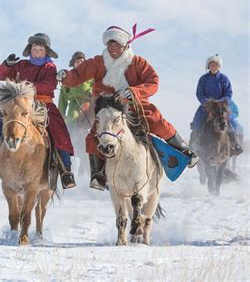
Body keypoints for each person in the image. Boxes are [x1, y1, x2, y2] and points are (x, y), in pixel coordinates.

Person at [57, 25, 199, 190]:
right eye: (110, 45)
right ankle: (98, 175)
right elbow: (78, 75)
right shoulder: (98, 62)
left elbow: (153, 81)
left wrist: (135, 91)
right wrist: (66, 76)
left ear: (125, 45)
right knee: (93, 136)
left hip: (133, 104)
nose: (113, 48)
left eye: (116, 44)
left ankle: (183, 151)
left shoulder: (138, 62)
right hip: (107, 106)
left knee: (155, 119)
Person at [0, 33, 77, 189]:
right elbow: (0, 75)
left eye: (40, 49)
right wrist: (6, 64)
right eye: (34, 49)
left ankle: (66, 171)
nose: (36, 52)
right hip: (18, 104)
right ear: (29, 49)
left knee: (59, 131)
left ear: (46, 51)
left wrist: (27, 87)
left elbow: (49, 85)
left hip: (42, 104)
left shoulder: (50, 67)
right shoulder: (21, 65)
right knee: (0, 123)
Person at [190, 54, 243, 155]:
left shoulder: (224, 79)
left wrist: (221, 101)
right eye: (212, 65)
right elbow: (199, 93)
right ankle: (193, 145)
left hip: (221, 106)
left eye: (216, 65)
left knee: (232, 122)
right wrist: (207, 102)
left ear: (219, 66)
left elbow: (228, 93)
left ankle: (235, 145)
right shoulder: (203, 79)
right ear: (208, 66)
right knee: (197, 121)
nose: (213, 67)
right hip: (207, 106)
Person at [58, 51, 94, 126]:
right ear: (74, 64)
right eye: (77, 62)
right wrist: (61, 115)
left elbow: (95, 87)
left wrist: (88, 100)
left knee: (92, 121)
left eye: (82, 61)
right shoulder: (68, 78)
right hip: (74, 104)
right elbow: (63, 98)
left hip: (89, 103)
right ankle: (71, 135)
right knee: (72, 120)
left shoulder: (90, 76)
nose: (80, 63)